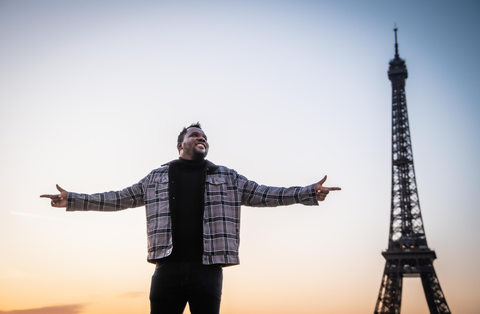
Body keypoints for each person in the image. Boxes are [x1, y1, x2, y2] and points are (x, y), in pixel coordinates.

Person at [40, 122, 341, 314]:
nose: (201, 138)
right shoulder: (157, 177)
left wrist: (308, 192)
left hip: (207, 269)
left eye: (205, 136)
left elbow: (265, 194)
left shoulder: (227, 177)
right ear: (180, 144)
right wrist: (74, 199)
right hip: (166, 268)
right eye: (194, 135)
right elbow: (118, 198)